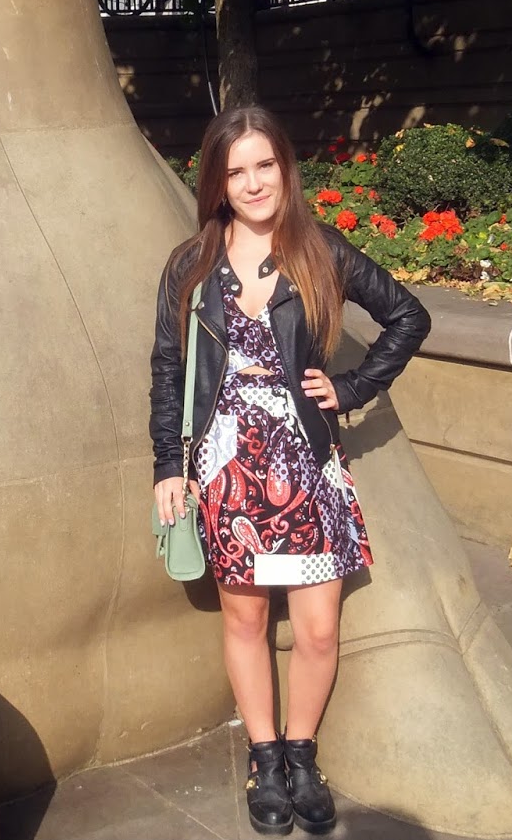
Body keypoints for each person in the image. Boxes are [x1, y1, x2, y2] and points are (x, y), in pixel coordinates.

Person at [150, 106, 431, 836]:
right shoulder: (190, 265)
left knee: (317, 630)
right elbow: (168, 369)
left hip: (306, 465)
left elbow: (408, 316)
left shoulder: (319, 250)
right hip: (226, 470)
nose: (253, 183)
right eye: (236, 171)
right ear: (216, 183)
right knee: (245, 620)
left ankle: (302, 754)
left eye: (264, 165)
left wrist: (354, 387)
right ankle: (265, 758)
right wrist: (168, 464)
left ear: (285, 167)